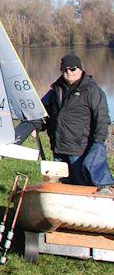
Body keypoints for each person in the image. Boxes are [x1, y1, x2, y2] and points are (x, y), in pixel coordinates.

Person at [41, 54, 113, 192]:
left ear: (80, 69)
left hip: (80, 151)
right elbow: (44, 113)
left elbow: (102, 119)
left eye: (73, 68)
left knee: (84, 188)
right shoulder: (56, 90)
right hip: (58, 149)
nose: (69, 72)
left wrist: (97, 143)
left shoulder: (92, 90)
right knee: (65, 189)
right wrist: (37, 126)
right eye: (65, 69)